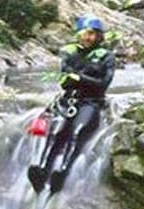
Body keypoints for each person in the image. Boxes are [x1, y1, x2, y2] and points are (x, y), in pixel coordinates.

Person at [27, 15, 115, 194]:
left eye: (91, 34)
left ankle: (62, 172)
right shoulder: (71, 54)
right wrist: (76, 79)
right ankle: (42, 171)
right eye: (84, 34)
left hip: (91, 102)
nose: (87, 37)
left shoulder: (107, 57)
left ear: (98, 36)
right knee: (55, 134)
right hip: (68, 101)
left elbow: (103, 84)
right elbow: (64, 82)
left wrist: (80, 78)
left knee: (77, 132)